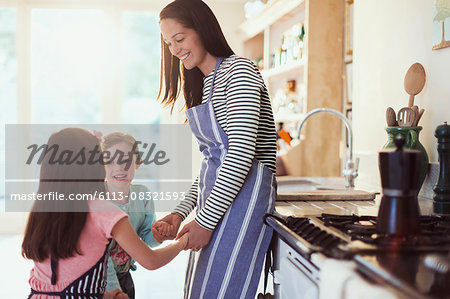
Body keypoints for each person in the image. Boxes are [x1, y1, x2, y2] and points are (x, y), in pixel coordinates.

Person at [152, 1, 278, 298]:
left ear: (203, 29)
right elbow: (214, 161)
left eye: (179, 39)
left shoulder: (239, 71)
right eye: (169, 43)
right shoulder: (204, 83)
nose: (174, 49)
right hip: (217, 206)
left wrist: (205, 221)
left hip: (244, 206)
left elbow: (241, 154)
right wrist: (181, 213)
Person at [22, 127, 187, 299]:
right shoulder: (105, 211)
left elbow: (69, 271)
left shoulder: (43, 208)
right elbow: (151, 260)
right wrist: (183, 241)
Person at [101, 132, 159, 299]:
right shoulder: (97, 199)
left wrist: (159, 234)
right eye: (110, 161)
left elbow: (148, 241)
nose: (119, 167)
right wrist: (113, 289)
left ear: (138, 162)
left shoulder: (143, 196)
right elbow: (100, 255)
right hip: (99, 280)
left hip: (125, 277)